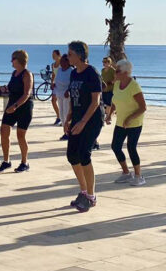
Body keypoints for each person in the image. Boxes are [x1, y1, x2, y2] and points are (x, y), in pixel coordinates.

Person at [65, 41, 103, 212]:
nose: (68, 57)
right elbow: (73, 98)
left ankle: (91, 196)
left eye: (70, 54)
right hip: (78, 118)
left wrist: (83, 122)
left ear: (80, 55)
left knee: (84, 154)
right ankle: (83, 190)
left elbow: (95, 101)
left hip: (92, 119)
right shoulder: (74, 74)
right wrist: (69, 117)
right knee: (72, 155)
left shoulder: (92, 73)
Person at [108, 59, 147, 186]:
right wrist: (109, 114)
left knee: (131, 148)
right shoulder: (117, 84)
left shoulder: (134, 86)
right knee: (115, 146)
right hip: (120, 122)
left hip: (134, 123)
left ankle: (138, 176)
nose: (115, 73)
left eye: (117, 70)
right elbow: (114, 100)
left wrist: (130, 118)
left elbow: (143, 107)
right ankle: (126, 173)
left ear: (125, 72)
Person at [0, 50, 34, 173]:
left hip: (23, 107)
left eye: (13, 59)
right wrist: (2, 88)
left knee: (20, 135)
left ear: (19, 60)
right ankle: (6, 161)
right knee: (4, 131)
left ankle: (25, 162)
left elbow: (27, 93)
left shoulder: (27, 74)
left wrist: (16, 106)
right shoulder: (14, 73)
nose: (11, 61)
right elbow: (11, 88)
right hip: (11, 106)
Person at [55, 54, 73, 140]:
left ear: (68, 62)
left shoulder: (71, 71)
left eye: (63, 61)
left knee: (67, 114)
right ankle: (65, 132)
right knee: (61, 114)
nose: (61, 62)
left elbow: (72, 82)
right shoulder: (59, 70)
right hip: (59, 94)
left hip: (67, 96)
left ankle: (69, 132)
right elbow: (57, 80)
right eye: (60, 61)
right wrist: (53, 85)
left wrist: (68, 90)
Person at [101, 57, 116, 123]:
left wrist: (110, 82)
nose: (104, 63)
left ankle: (107, 118)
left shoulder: (112, 70)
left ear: (109, 63)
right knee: (104, 104)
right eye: (103, 62)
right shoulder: (102, 70)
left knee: (109, 104)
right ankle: (106, 117)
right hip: (103, 89)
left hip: (110, 89)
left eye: (105, 62)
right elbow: (101, 78)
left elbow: (116, 79)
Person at [50, 49, 62, 125]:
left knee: (61, 101)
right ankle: (58, 116)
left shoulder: (63, 63)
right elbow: (53, 74)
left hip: (62, 85)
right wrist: (52, 83)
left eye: (54, 55)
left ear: (58, 55)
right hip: (55, 85)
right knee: (53, 100)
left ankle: (62, 117)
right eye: (52, 55)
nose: (53, 56)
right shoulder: (53, 64)